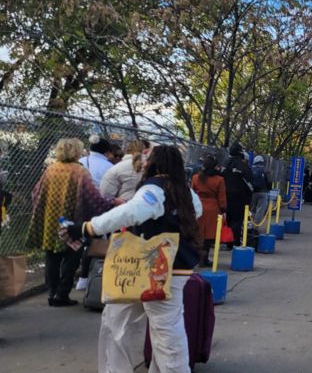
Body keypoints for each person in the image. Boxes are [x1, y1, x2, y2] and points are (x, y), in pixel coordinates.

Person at [63, 144, 203, 372]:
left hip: (144, 269)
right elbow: (197, 212)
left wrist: (89, 227)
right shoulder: (185, 190)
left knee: (121, 326)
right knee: (165, 333)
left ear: (154, 163)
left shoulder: (154, 189)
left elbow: (131, 212)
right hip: (175, 268)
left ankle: (116, 369)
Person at [27, 138, 117, 306]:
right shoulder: (79, 171)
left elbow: (36, 193)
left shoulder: (50, 169)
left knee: (52, 256)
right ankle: (62, 294)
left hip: (51, 220)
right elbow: (93, 197)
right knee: (72, 256)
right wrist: (112, 202)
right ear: (76, 151)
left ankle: (52, 293)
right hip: (72, 221)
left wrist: (45, 209)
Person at [74, 139, 150, 292]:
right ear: (144, 151)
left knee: (115, 248)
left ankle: (115, 281)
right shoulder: (149, 168)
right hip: (145, 213)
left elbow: (105, 193)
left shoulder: (115, 168)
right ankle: (139, 281)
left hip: (121, 214)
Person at [192, 155, 226, 266]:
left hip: (198, 206)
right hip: (213, 209)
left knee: (198, 233)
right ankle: (204, 258)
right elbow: (221, 196)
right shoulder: (219, 180)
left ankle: (196, 257)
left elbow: (192, 192)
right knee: (208, 236)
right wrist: (223, 210)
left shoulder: (196, 177)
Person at [222, 142, 252, 247]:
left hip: (225, 196)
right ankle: (235, 242)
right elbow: (250, 181)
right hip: (240, 197)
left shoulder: (225, 165)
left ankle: (227, 241)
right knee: (237, 220)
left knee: (227, 219)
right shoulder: (243, 165)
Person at [250, 155, 270, 226]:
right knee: (260, 210)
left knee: (251, 209)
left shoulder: (250, 169)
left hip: (252, 192)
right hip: (263, 192)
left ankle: (249, 225)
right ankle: (256, 226)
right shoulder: (264, 170)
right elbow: (268, 182)